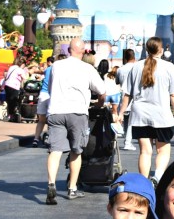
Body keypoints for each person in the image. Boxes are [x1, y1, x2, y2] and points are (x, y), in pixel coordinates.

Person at [46, 38, 106, 204]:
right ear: (83, 51)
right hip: (77, 112)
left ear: (68, 50)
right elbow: (101, 90)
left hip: (56, 111)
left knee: (55, 150)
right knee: (76, 151)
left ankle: (51, 184)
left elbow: (51, 87)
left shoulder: (56, 66)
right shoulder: (87, 68)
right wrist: (99, 103)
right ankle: (72, 188)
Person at [117, 37, 174, 184]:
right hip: (161, 114)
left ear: (147, 50)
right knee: (163, 150)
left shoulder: (136, 67)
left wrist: (121, 113)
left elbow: (128, 94)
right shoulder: (168, 67)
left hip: (140, 114)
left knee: (145, 151)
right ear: (161, 50)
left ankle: (143, 182)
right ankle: (157, 177)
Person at [116, 49, 137, 151]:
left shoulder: (120, 69)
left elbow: (117, 81)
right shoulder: (136, 68)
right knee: (131, 122)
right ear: (134, 57)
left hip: (123, 96)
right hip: (133, 97)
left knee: (126, 120)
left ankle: (126, 140)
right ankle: (128, 142)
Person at [32, 55, 55, 146]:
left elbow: (41, 72)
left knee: (41, 120)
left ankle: (36, 138)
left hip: (43, 93)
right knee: (51, 119)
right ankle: (48, 136)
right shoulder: (57, 69)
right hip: (51, 95)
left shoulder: (48, 69)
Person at [1, 55, 29, 123]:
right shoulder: (20, 70)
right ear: (22, 64)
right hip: (14, 86)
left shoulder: (11, 67)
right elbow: (25, 78)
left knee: (9, 102)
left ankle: (9, 115)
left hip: (7, 86)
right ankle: (13, 116)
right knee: (14, 102)